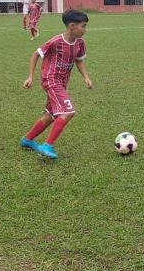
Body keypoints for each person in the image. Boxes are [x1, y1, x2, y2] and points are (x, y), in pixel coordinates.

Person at [20, 9, 92, 159]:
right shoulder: (55, 41)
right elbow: (36, 54)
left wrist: (85, 77)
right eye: (83, 26)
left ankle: (27, 140)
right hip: (51, 80)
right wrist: (30, 76)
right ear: (72, 26)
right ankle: (47, 145)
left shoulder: (80, 43)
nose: (85, 29)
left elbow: (79, 60)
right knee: (68, 111)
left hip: (62, 82)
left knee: (51, 114)